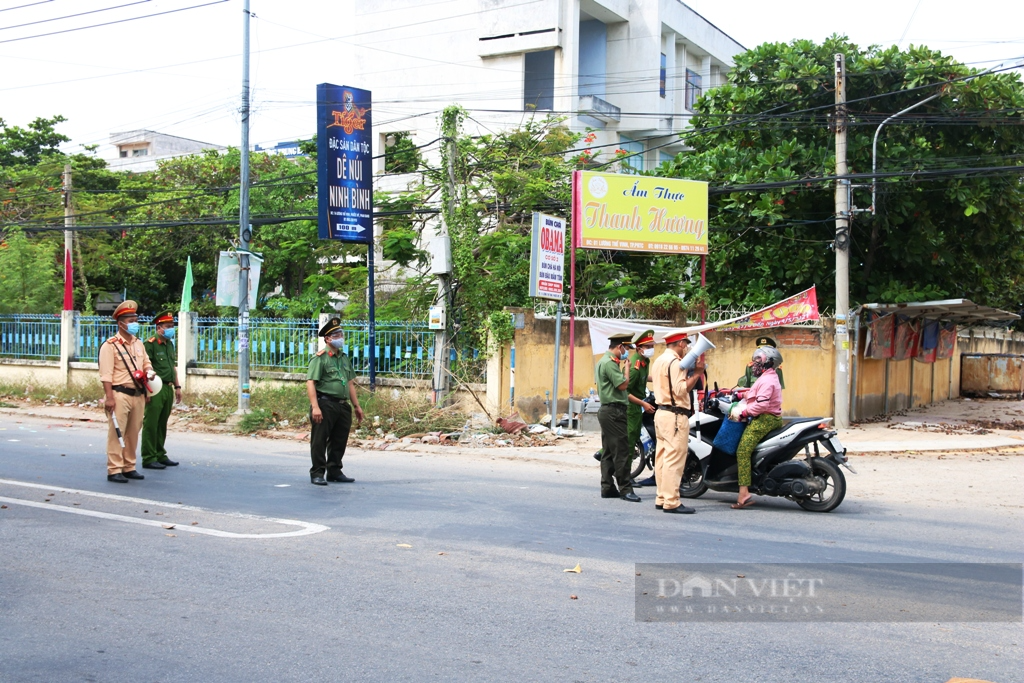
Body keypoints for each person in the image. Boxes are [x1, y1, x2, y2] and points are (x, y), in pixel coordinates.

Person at [98, 300, 153, 483]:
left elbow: (146, 363)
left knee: (133, 432)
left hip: (138, 393)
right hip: (119, 394)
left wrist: (149, 373)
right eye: (130, 320)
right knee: (117, 432)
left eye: (135, 320)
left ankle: (129, 466)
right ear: (120, 323)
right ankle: (114, 469)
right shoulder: (110, 346)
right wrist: (109, 398)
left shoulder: (138, 343)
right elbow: (106, 374)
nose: (134, 323)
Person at [650, 331, 704, 514]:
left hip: (661, 413)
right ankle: (672, 501)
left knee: (662, 458)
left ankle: (662, 497)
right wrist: (697, 373)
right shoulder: (675, 363)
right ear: (681, 343)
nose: (688, 348)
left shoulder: (659, 360)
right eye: (687, 344)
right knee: (674, 459)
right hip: (675, 415)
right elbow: (681, 390)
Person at [306, 317, 364, 486]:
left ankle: (334, 470)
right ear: (328, 339)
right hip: (325, 404)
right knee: (319, 440)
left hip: (342, 405)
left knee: (339, 439)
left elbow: (350, 383)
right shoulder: (320, 358)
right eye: (337, 335)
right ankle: (317, 472)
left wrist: (357, 406)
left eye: (341, 334)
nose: (341, 337)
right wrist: (315, 407)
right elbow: (311, 382)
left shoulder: (344, 358)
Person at [732, 346, 785, 509]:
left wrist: (743, 413)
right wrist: (741, 394)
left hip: (764, 419)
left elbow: (761, 405)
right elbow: (756, 394)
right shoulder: (768, 377)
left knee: (742, 451)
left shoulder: (767, 380)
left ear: (768, 362)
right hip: (770, 417)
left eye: (757, 361)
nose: (753, 364)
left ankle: (743, 493)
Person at [596, 332, 639, 502]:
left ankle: (607, 487)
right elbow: (623, 385)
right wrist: (627, 370)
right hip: (614, 412)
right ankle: (625, 489)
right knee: (621, 451)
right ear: (620, 347)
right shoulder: (610, 363)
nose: (627, 352)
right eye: (626, 348)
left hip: (608, 411)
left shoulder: (602, 361)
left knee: (608, 451)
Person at [141, 312, 182, 470]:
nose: (172, 329)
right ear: (159, 328)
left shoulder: (170, 344)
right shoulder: (150, 344)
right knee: (151, 423)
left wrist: (177, 386)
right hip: (155, 387)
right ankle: (149, 457)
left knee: (162, 423)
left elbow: (172, 367)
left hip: (168, 387)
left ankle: (160, 454)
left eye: (172, 326)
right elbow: (144, 368)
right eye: (168, 327)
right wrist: (147, 391)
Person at [626, 330, 657, 488]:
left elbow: (645, 379)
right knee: (630, 441)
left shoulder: (645, 362)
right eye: (649, 346)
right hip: (632, 407)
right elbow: (625, 391)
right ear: (639, 349)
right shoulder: (635, 366)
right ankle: (626, 477)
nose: (652, 349)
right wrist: (643, 404)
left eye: (652, 345)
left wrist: (659, 378)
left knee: (632, 439)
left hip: (638, 406)